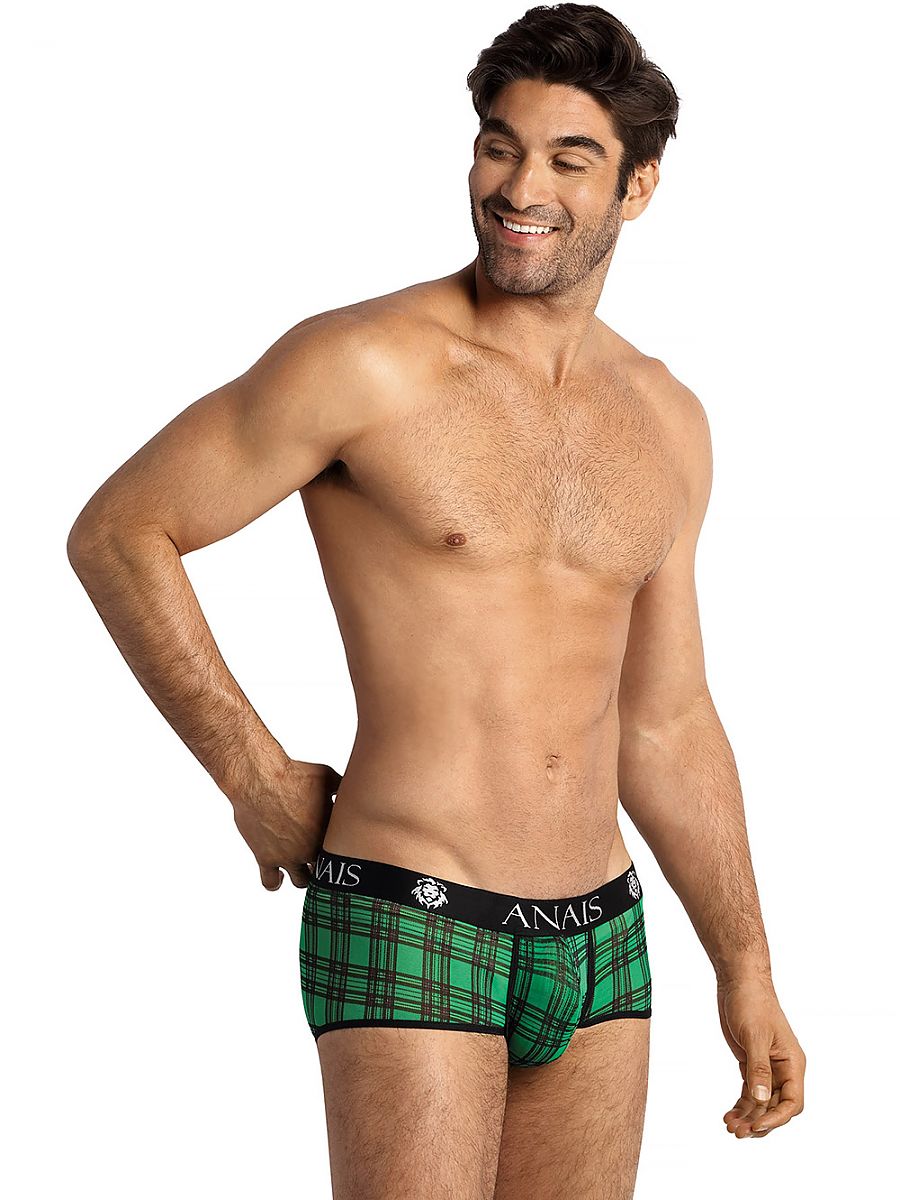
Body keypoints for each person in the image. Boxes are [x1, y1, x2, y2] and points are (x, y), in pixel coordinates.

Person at [67, 4, 806, 1197]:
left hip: (602, 938)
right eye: (499, 147)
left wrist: (747, 963)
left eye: (570, 160)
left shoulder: (667, 419)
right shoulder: (365, 363)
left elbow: (667, 720)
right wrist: (251, 773)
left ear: (638, 188)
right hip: (412, 911)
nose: (521, 188)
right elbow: (121, 531)